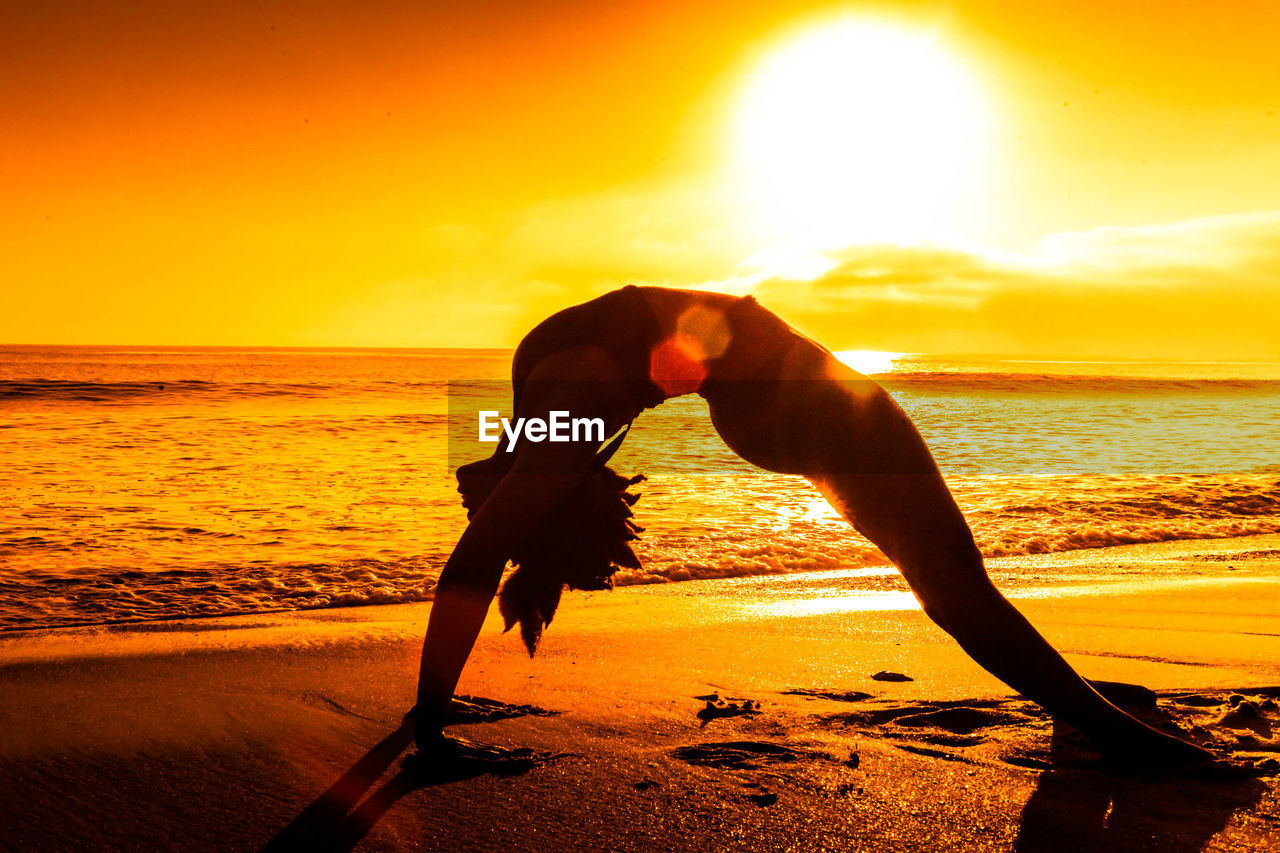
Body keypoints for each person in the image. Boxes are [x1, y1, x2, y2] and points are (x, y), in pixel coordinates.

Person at [414, 284, 1212, 768]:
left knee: (949, 584)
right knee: (952, 583)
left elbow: (494, 543)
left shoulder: (554, 412)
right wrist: (432, 733)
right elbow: (481, 553)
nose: (493, 511)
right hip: (796, 393)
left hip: (778, 394)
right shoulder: (566, 397)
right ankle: (1106, 729)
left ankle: (1076, 701)